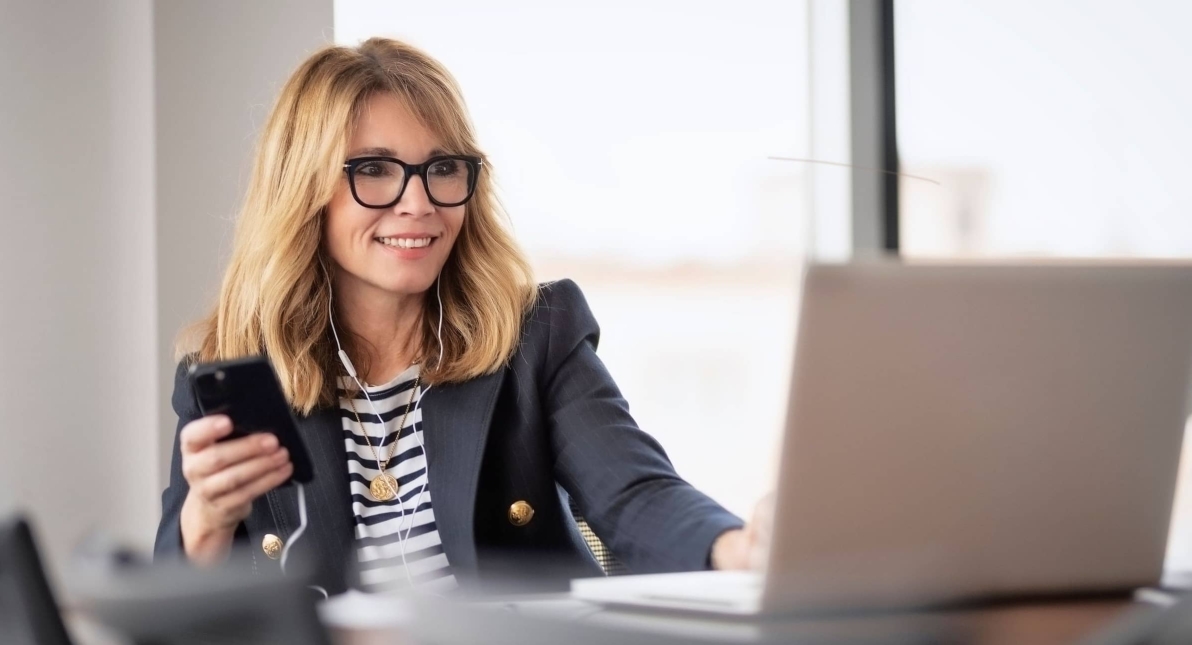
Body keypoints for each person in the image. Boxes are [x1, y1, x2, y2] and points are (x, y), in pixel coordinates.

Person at [153, 38, 763, 597]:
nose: (418, 204)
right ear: (302, 189)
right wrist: (205, 524)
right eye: (374, 169)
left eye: (443, 168)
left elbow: (636, 494)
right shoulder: (232, 376)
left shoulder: (534, 335)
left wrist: (740, 549)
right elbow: (173, 619)